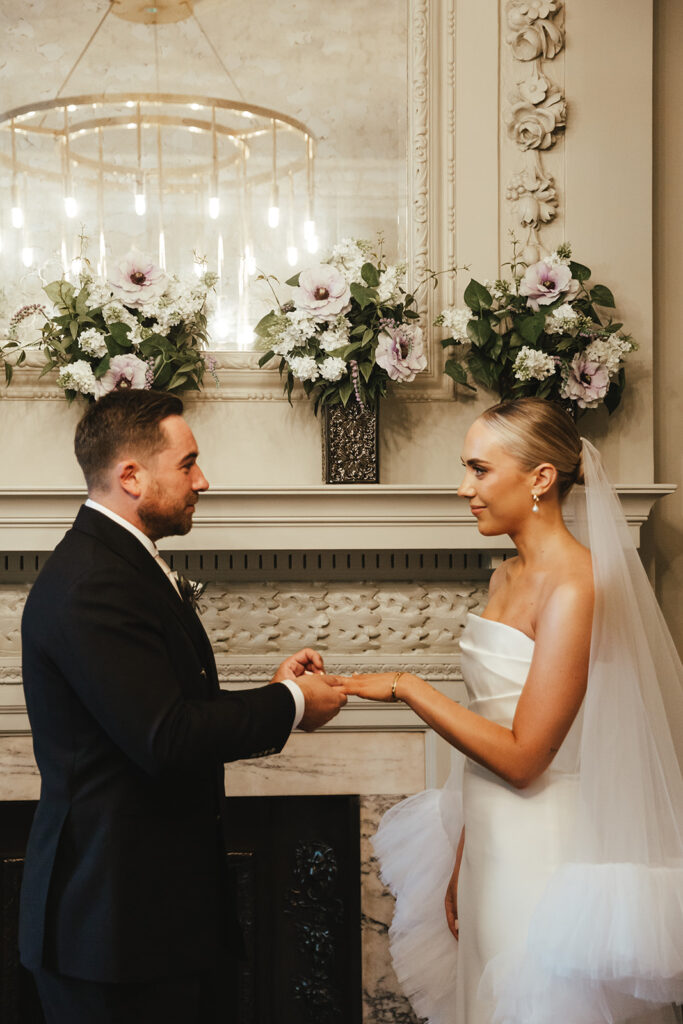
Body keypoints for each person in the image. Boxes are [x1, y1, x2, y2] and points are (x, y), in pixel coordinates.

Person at [341, 398, 683, 1024]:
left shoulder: (577, 584)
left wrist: (408, 687)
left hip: (544, 851)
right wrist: (462, 854)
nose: (464, 488)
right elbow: (491, 731)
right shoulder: (504, 577)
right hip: (489, 848)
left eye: (479, 469)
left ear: (540, 478)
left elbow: (526, 757)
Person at [19, 388, 346, 1024]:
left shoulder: (120, 564)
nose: (203, 480)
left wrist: (280, 691)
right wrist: (292, 703)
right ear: (132, 476)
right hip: (110, 927)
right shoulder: (93, 582)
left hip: (150, 917)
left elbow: (162, 708)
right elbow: (166, 736)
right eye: (188, 462)